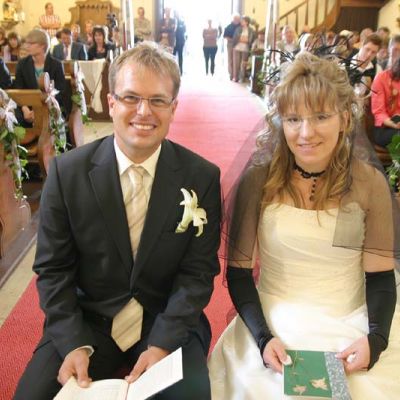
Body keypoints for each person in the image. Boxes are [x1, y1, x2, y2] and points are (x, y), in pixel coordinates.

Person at [14, 41, 221, 400]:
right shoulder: (67, 174)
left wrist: (162, 343)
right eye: (130, 97)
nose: (144, 111)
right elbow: (53, 268)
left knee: (190, 396)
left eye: (158, 100)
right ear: (111, 103)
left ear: (173, 108)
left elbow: (198, 273)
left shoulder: (201, 177)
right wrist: (72, 342)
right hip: (89, 319)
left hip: (165, 318)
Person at [209, 52, 400, 399]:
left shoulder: (368, 183)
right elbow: (239, 274)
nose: (306, 133)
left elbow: (380, 276)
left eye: (321, 117)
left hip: (350, 320)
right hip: (275, 320)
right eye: (294, 119)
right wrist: (263, 338)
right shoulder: (259, 181)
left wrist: (375, 340)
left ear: (344, 118)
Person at [13, 29, 65, 124]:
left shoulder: (56, 65)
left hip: (50, 107)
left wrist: (41, 110)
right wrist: (25, 109)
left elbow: (60, 92)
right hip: (27, 108)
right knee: (15, 117)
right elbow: (18, 89)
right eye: (27, 43)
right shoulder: (22, 64)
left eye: (31, 43)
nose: (27, 46)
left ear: (42, 46)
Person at [371, 35, 400, 148]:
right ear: (389, 50)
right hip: (384, 127)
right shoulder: (381, 78)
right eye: (395, 50)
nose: (398, 55)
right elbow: (379, 112)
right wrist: (394, 124)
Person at [232, 16, 256, 82]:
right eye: (241, 21)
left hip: (246, 48)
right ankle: (235, 77)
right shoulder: (238, 29)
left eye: (243, 21)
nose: (241, 22)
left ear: (247, 22)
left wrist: (244, 39)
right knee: (236, 63)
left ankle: (242, 78)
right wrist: (244, 39)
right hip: (237, 47)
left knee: (243, 64)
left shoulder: (251, 30)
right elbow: (235, 38)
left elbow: (251, 40)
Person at [223, 13, 241, 80]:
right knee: (230, 59)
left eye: (238, 19)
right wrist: (232, 40)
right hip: (230, 44)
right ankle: (231, 74)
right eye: (235, 18)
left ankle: (237, 75)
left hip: (239, 44)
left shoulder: (241, 26)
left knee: (237, 60)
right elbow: (225, 36)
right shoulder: (228, 27)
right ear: (233, 19)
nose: (237, 20)